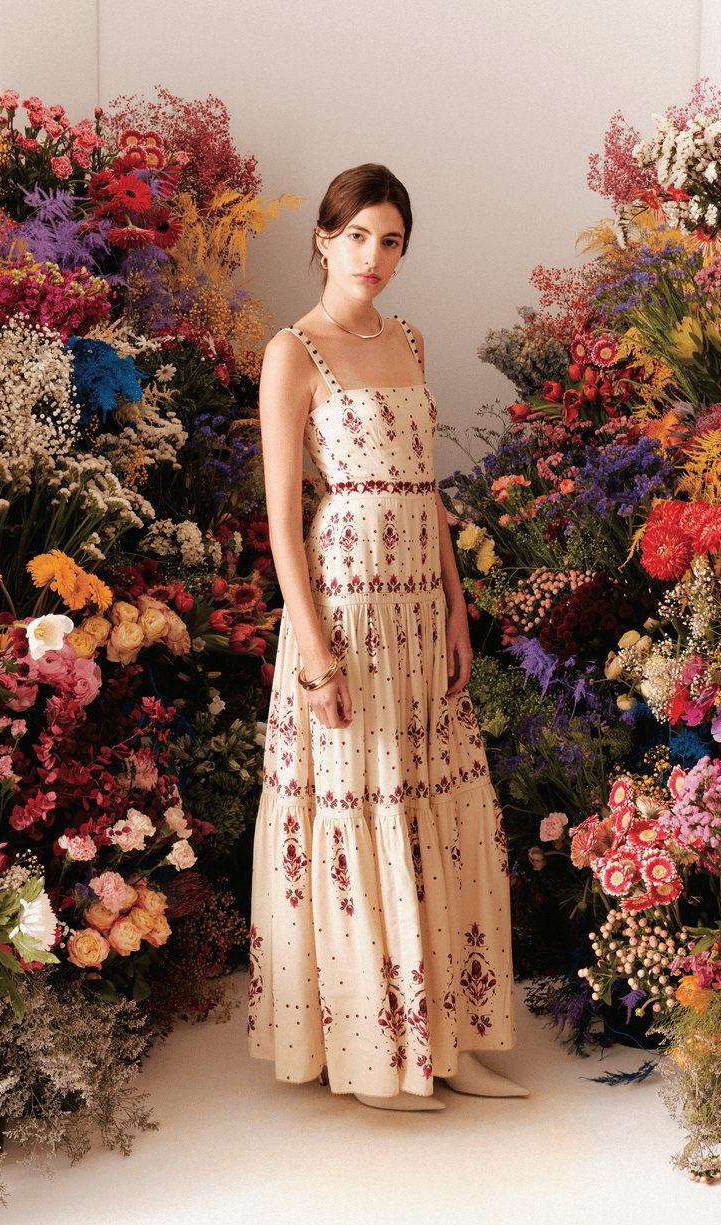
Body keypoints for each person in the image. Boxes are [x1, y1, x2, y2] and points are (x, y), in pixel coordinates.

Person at [248, 164, 525, 1110]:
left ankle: (452, 1040)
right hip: (350, 613)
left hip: (418, 611)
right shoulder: (295, 351)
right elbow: (285, 524)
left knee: (433, 812)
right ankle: (378, 1055)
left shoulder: (407, 338)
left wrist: (455, 603)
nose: (375, 256)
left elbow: (428, 489)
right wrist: (314, 653)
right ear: (325, 239)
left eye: (392, 240)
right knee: (362, 806)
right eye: (358, 235)